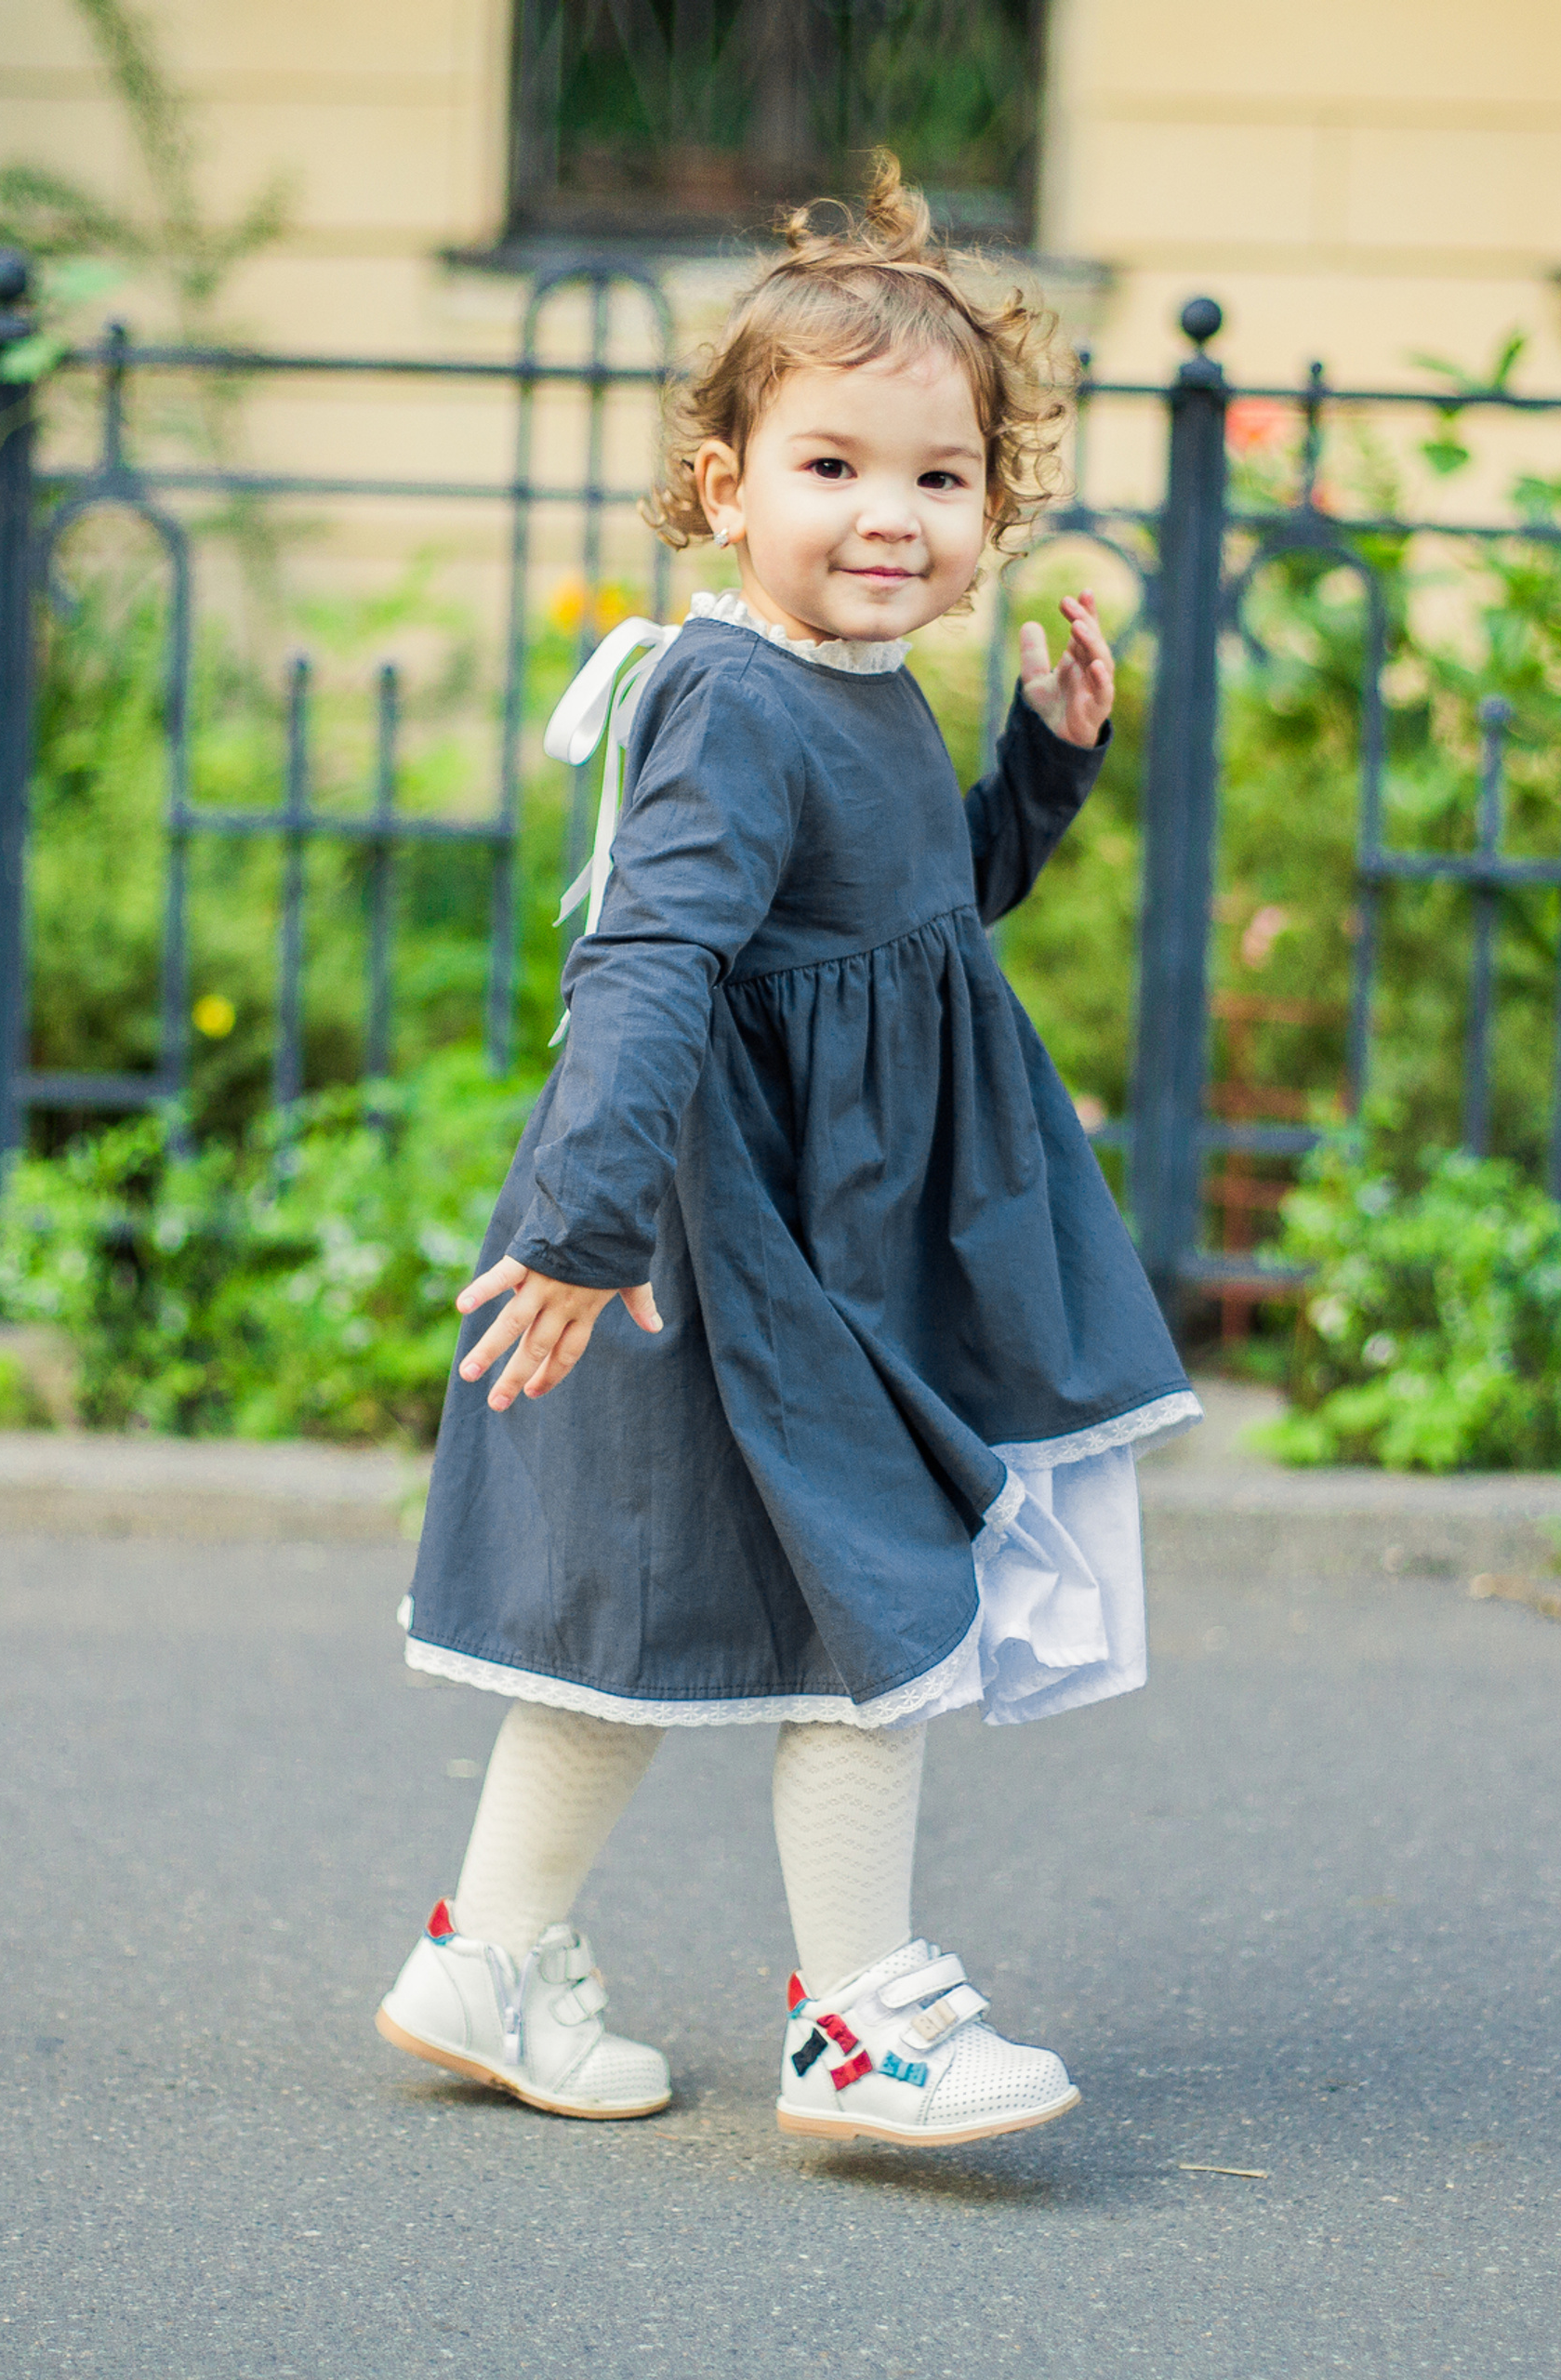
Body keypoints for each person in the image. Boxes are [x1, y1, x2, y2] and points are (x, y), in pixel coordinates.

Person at [378, 153, 1198, 2149]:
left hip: (803, 1232)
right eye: (829, 466)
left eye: (937, 479)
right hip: (715, 1235)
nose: (886, 516)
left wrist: (1042, 763)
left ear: (992, 513)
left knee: (644, 1612)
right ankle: (857, 2023)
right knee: (877, 1597)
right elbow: (646, 962)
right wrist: (578, 1228)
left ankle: (489, 1954)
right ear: (721, 490)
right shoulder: (734, 700)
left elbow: (911, 923)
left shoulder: (865, 691)